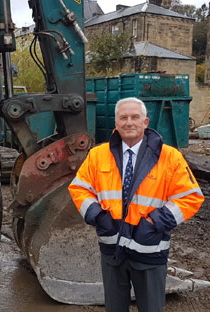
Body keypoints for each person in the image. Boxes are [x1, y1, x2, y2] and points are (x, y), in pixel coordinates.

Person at [68, 97, 204, 312]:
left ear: (145, 122)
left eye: (134, 117)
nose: (129, 122)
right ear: (116, 122)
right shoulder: (97, 156)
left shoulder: (169, 157)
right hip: (112, 250)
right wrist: (99, 216)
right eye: (123, 117)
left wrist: (153, 223)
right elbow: (79, 188)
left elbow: (190, 197)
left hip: (149, 249)